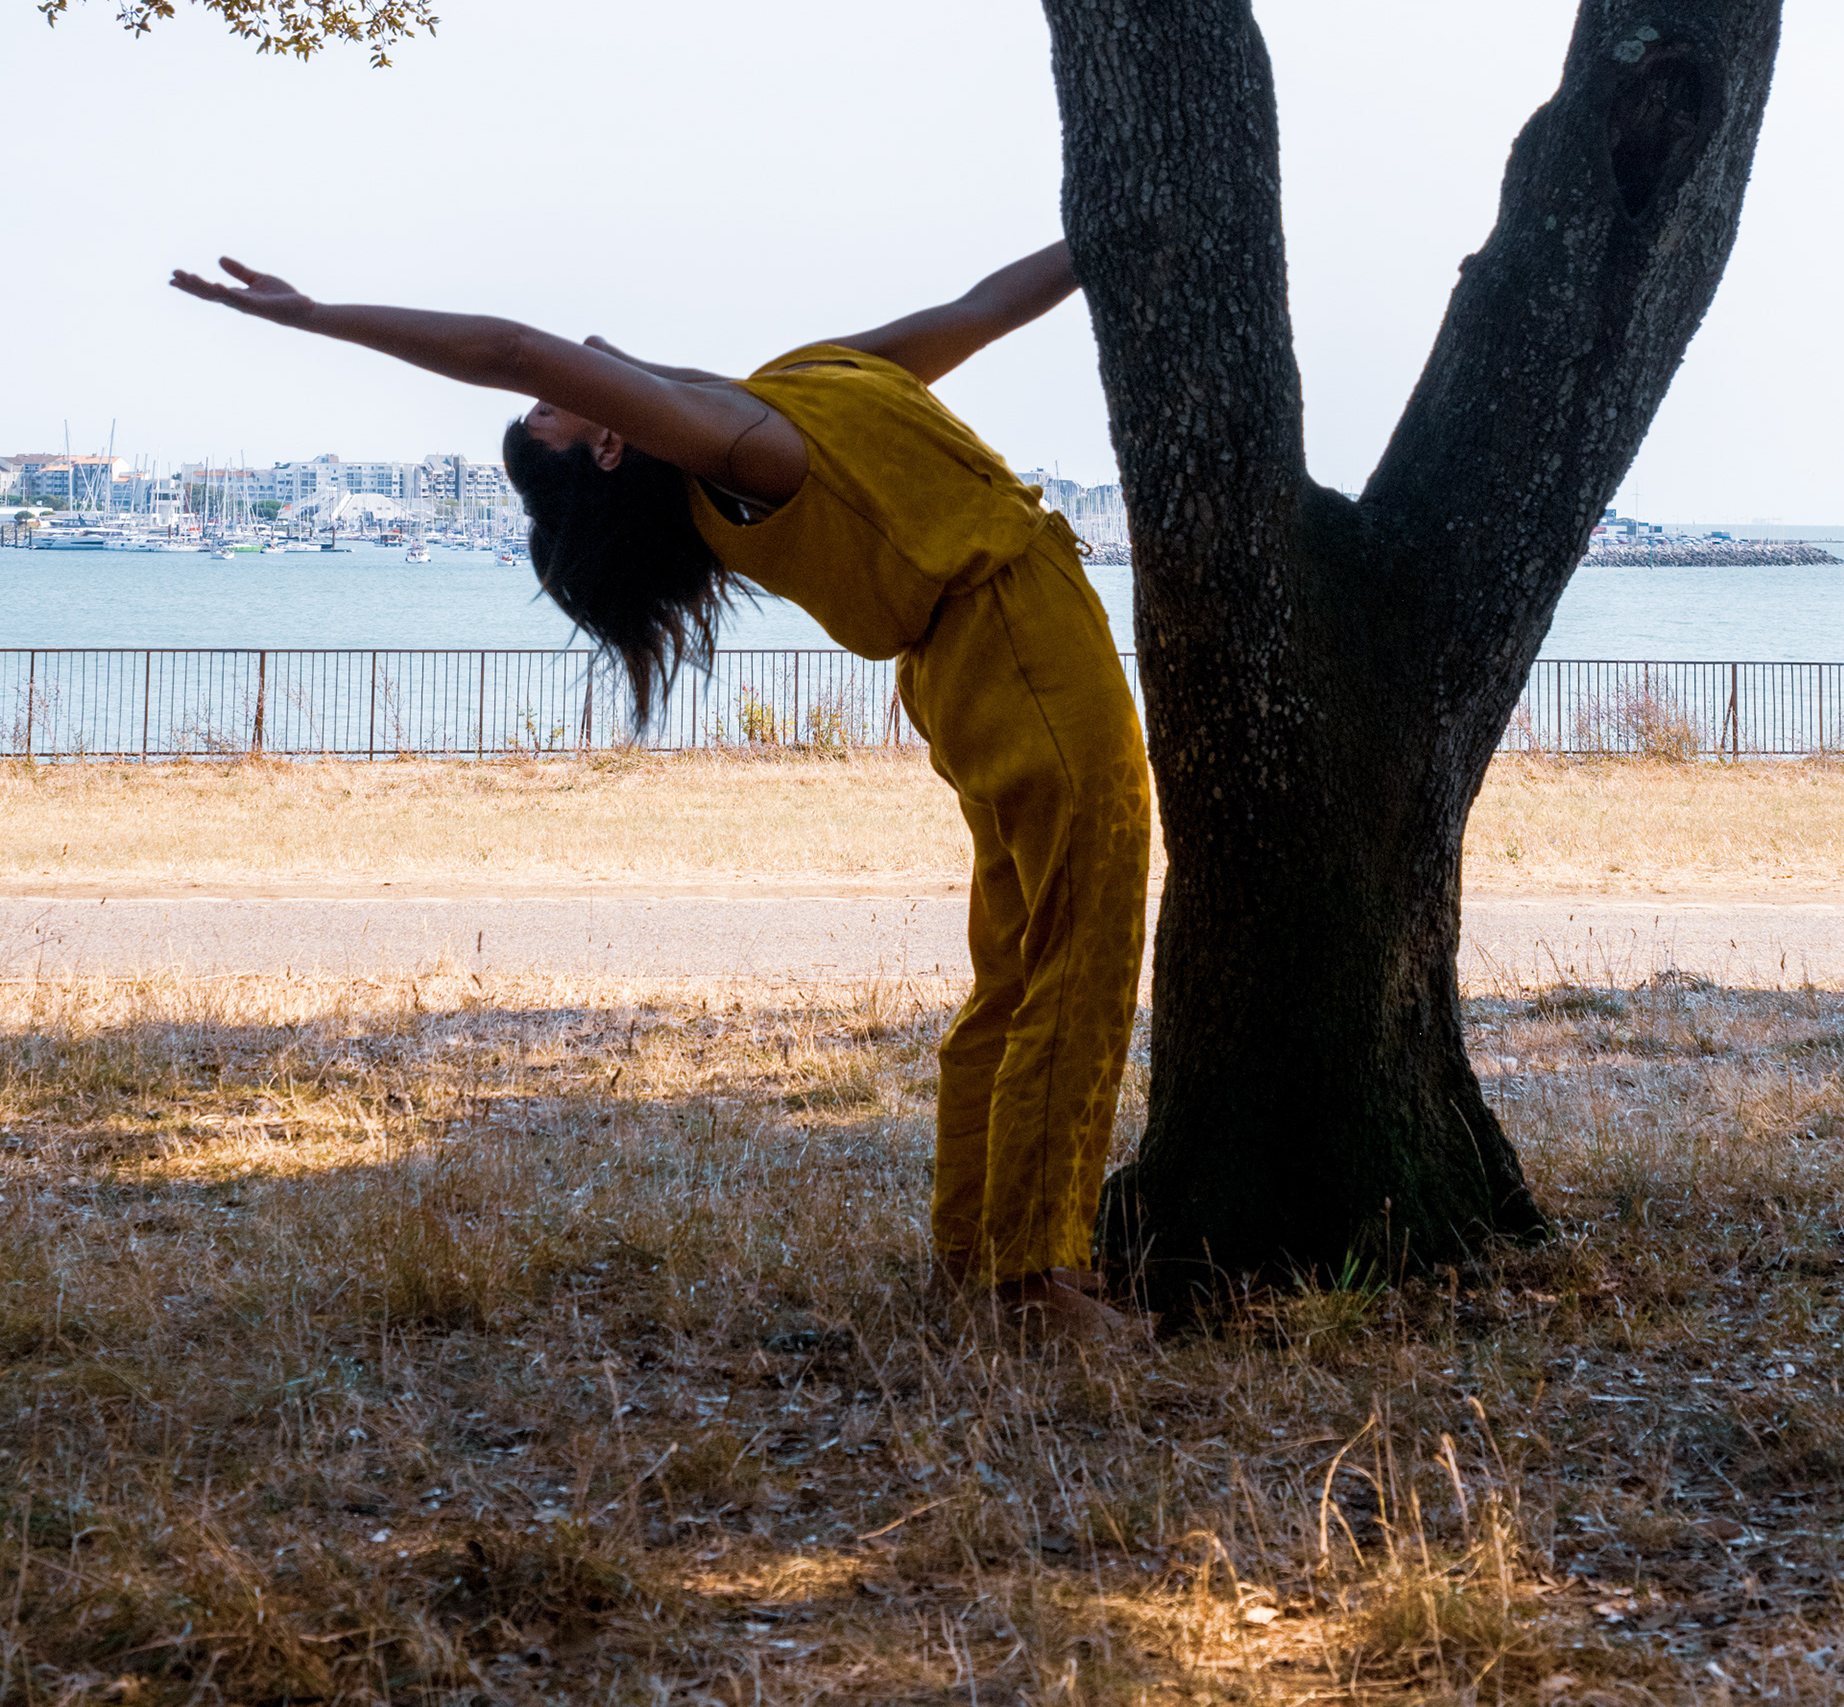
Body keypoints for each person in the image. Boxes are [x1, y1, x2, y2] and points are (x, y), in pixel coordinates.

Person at [171, 242, 1152, 1344]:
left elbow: (974, 310)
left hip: (995, 660)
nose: (563, 374)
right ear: (608, 443)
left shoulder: (782, 393)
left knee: (1022, 972)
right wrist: (313, 315)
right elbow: (508, 348)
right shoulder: (743, 453)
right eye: (554, 405)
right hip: (1021, 651)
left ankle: (983, 1260)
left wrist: (1096, 234)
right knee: (1078, 962)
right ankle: (1029, 1285)